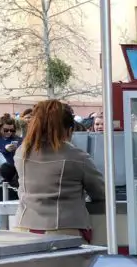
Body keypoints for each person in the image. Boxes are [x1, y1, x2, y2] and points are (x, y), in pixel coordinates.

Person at [14, 99, 105, 242]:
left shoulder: (21, 152)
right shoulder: (77, 156)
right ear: (68, 129)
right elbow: (101, 193)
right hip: (65, 230)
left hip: (23, 228)